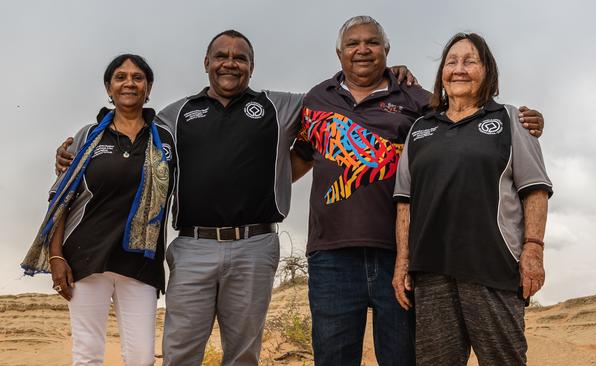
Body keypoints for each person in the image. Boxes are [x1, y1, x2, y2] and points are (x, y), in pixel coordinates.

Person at [54, 30, 416, 366]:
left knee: (243, 354)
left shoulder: (281, 107)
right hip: (193, 245)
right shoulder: (173, 115)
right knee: (180, 351)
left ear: (252, 67)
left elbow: (337, 100)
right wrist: (72, 149)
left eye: (240, 58)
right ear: (207, 63)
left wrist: (389, 75)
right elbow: (123, 136)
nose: (230, 63)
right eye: (221, 56)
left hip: (254, 246)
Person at [291, 16, 545, 366]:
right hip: (336, 256)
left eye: (372, 43)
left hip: (401, 254)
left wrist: (527, 120)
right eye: (352, 43)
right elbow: (301, 159)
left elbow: (465, 117)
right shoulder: (317, 99)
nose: (362, 49)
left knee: (404, 358)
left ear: (386, 50)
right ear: (339, 52)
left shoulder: (417, 99)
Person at [392, 32, 552, 366]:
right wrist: (403, 261)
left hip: (493, 270)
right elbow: (405, 202)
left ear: (487, 71)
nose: (459, 69)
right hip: (432, 274)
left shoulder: (511, 120)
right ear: (442, 74)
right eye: (451, 62)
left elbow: (535, 189)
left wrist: (533, 250)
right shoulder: (420, 129)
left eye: (470, 61)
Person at [22, 54, 176, 366]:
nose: (129, 83)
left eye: (137, 77)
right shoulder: (88, 137)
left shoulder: (166, 140)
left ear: (149, 88)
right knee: (88, 355)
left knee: (141, 358)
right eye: (120, 77)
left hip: (141, 263)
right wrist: (56, 256)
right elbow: (62, 197)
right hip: (86, 258)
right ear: (109, 88)